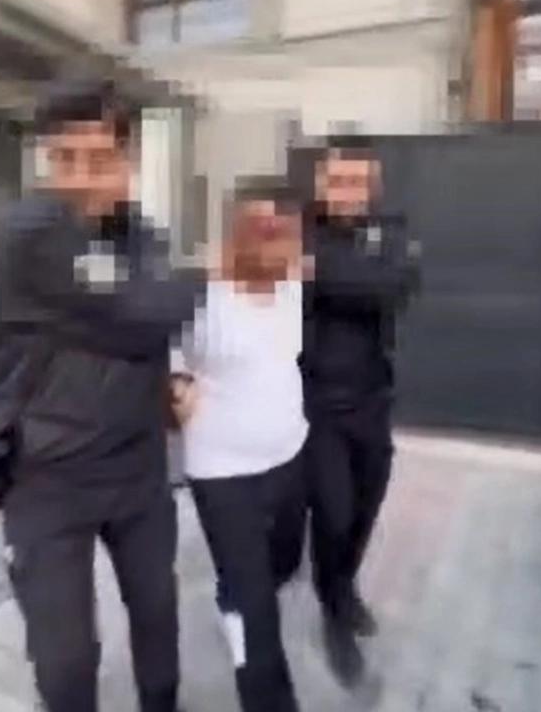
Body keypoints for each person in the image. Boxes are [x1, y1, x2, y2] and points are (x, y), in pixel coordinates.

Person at [0, 78, 201, 712]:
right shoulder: (28, 230)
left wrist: (166, 363)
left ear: (128, 161)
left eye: (100, 159)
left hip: (138, 470)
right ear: (45, 160)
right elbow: (153, 314)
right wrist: (144, 315)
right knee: (66, 663)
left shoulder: (145, 235)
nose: (80, 179)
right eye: (64, 159)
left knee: (158, 617)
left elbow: (162, 316)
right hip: (47, 477)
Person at [169, 178, 308, 712]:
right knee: (257, 612)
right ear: (234, 232)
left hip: (290, 456)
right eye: (259, 228)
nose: (272, 240)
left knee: (283, 564)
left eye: (282, 230)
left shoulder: (294, 286)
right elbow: (155, 345)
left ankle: (235, 593)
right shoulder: (198, 295)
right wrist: (174, 381)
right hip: (223, 473)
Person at [300, 142, 419, 684]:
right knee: (334, 512)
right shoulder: (300, 231)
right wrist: (356, 277)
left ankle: (342, 587)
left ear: (372, 187)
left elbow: (397, 288)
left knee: (366, 508)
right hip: (316, 405)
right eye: (338, 182)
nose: (347, 193)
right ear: (321, 185)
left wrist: (323, 274)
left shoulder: (389, 228)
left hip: (372, 399)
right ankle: (334, 615)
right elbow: (368, 284)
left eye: (357, 183)